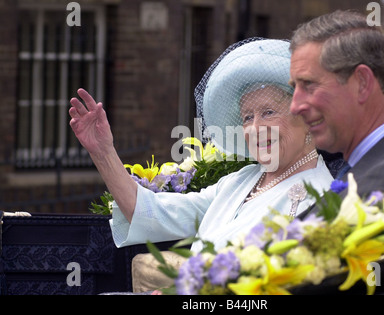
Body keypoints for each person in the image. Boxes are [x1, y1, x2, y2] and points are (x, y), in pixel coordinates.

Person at [69, 38, 334, 254]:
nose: (254, 128)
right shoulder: (240, 181)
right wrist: (103, 152)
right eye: (247, 117)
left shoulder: (319, 194)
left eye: (268, 113)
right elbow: (153, 214)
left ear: (308, 117)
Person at [288, 10, 384, 215]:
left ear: (362, 83)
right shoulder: (382, 161)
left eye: (308, 84)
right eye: (295, 87)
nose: (295, 106)